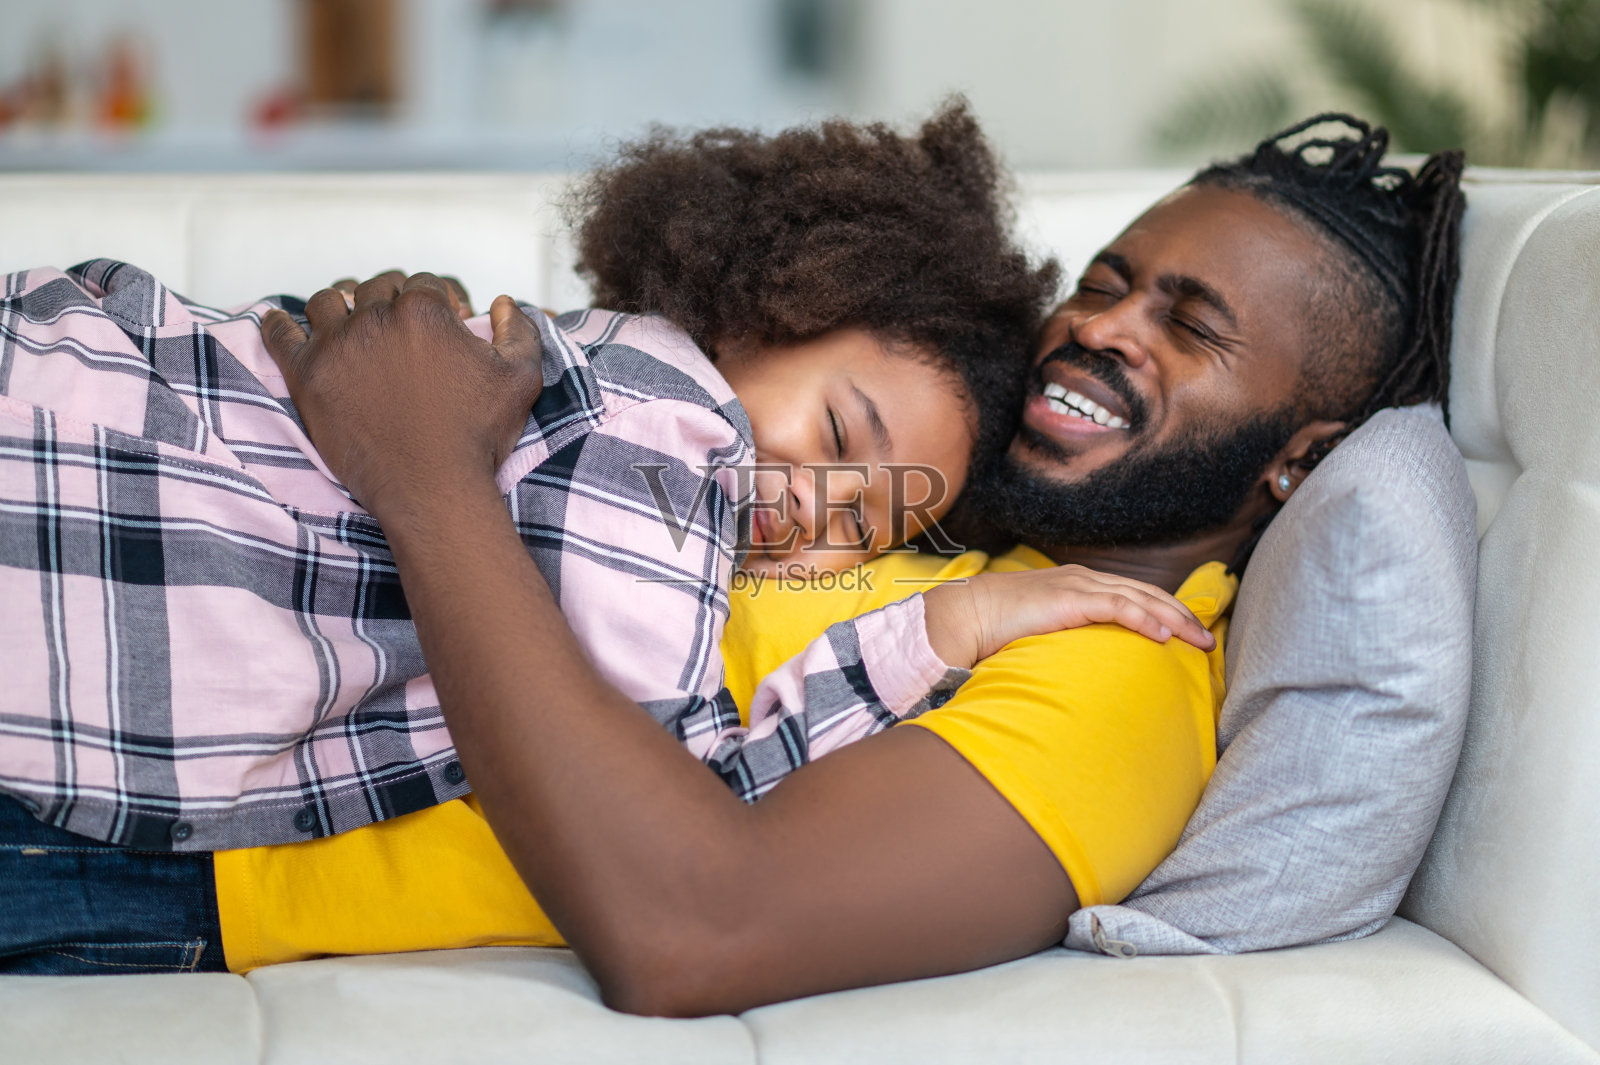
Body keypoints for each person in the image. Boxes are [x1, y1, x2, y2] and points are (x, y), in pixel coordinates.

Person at [0, 115, 1465, 1011]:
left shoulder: (1117, 669)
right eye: (1108, 282)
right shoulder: (944, 486)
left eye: (1193, 329)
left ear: (1291, 456)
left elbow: (695, 924)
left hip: (149, 831)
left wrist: (428, 474)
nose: (1103, 329)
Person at [0, 103, 1202, 847]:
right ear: (764, 315)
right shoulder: (655, 409)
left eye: (865, 525)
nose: (820, 505)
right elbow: (667, 801)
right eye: (838, 433)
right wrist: (944, 626)